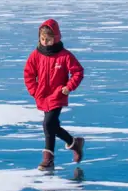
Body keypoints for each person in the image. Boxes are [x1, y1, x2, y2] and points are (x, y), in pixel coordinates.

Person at [23, 19, 85, 171]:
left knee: (48, 124)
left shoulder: (65, 56)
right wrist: (35, 91)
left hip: (58, 95)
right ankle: (74, 143)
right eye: (43, 39)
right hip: (43, 95)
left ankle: (48, 159)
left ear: (56, 38)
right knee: (52, 126)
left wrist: (69, 87)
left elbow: (78, 71)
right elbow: (28, 74)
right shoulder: (36, 55)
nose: (45, 42)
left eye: (49, 40)